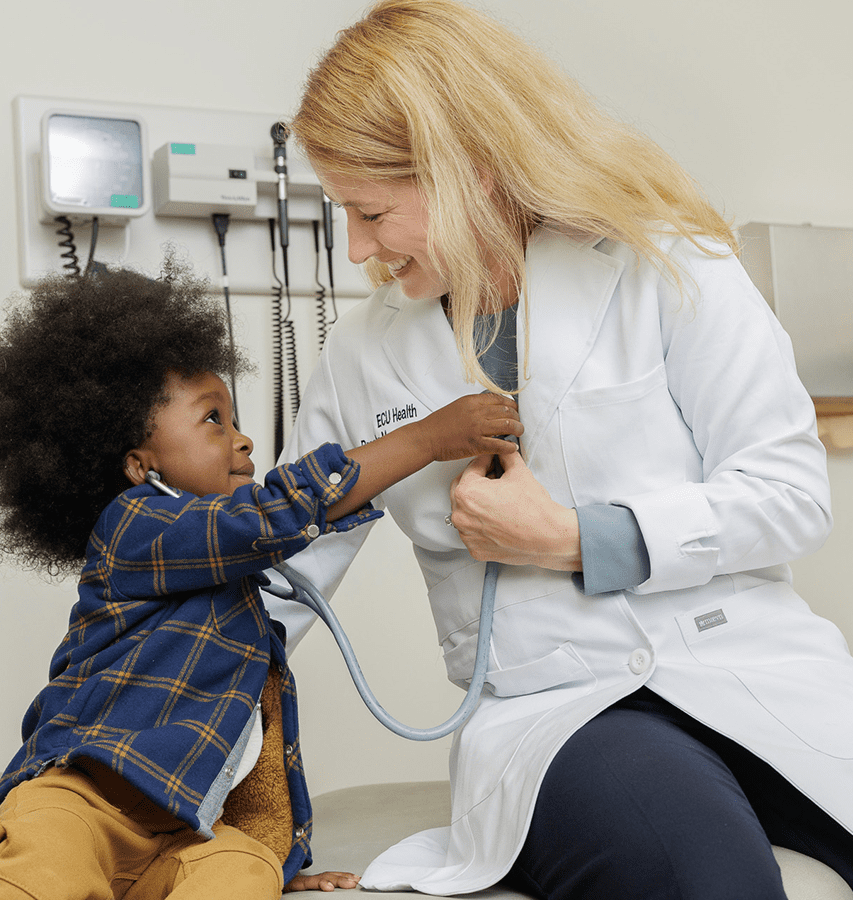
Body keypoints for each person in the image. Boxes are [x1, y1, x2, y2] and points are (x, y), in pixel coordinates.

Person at [264, 1, 853, 898]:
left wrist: (573, 537)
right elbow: (283, 567)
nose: (356, 250)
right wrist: (144, 711)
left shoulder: (670, 262)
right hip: (562, 713)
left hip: (748, 665)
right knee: (703, 877)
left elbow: (788, 492)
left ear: (469, 171)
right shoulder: (360, 357)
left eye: (371, 212)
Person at [0, 258, 521, 900]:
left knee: (240, 866)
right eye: (213, 420)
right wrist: (423, 439)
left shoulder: (245, 609)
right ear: (140, 465)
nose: (244, 439)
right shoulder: (133, 528)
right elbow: (266, 517)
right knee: (46, 853)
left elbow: (253, 751)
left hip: (184, 831)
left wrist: (280, 859)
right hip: (83, 798)